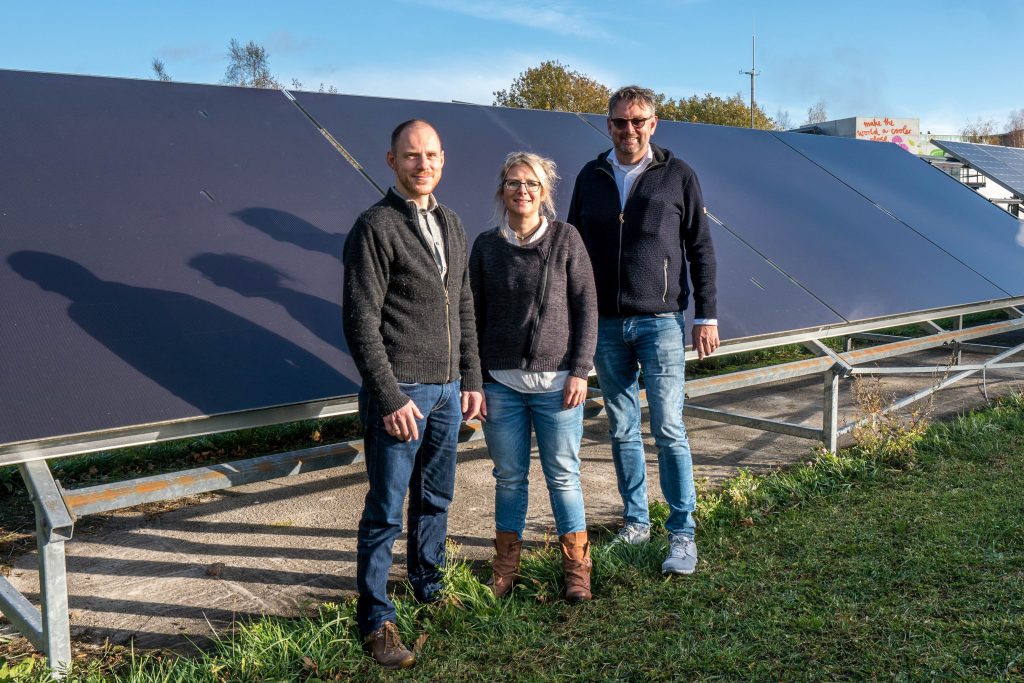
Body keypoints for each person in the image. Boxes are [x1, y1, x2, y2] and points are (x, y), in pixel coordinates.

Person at [342, 119, 484, 669]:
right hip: (401, 392)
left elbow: (464, 306)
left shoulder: (452, 223)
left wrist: (470, 379)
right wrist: (388, 397)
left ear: (443, 160)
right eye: (411, 156)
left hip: (448, 391)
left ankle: (430, 584)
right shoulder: (375, 226)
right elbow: (360, 322)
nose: (422, 164)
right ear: (391, 161)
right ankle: (376, 618)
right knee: (385, 510)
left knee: (437, 499)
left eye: (430, 155)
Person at [567, 85, 719, 576]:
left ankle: (682, 532)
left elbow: (701, 248)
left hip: (661, 322)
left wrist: (706, 315)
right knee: (623, 428)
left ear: (653, 124)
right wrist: (575, 321)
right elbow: (571, 251)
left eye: (638, 121)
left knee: (670, 429)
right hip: (606, 324)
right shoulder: (590, 177)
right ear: (606, 124)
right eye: (619, 122)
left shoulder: (678, 176)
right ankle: (636, 522)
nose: (628, 130)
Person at [470, 152, 598, 602]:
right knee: (509, 478)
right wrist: (475, 379)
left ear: (544, 193)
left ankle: (576, 567)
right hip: (500, 387)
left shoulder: (566, 239)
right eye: (513, 182)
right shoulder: (486, 245)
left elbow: (587, 309)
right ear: (501, 190)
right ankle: (505, 565)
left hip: (559, 385)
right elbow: (472, 317)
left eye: (531, 184)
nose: (521, 190)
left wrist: (581, 370)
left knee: (563, 475)